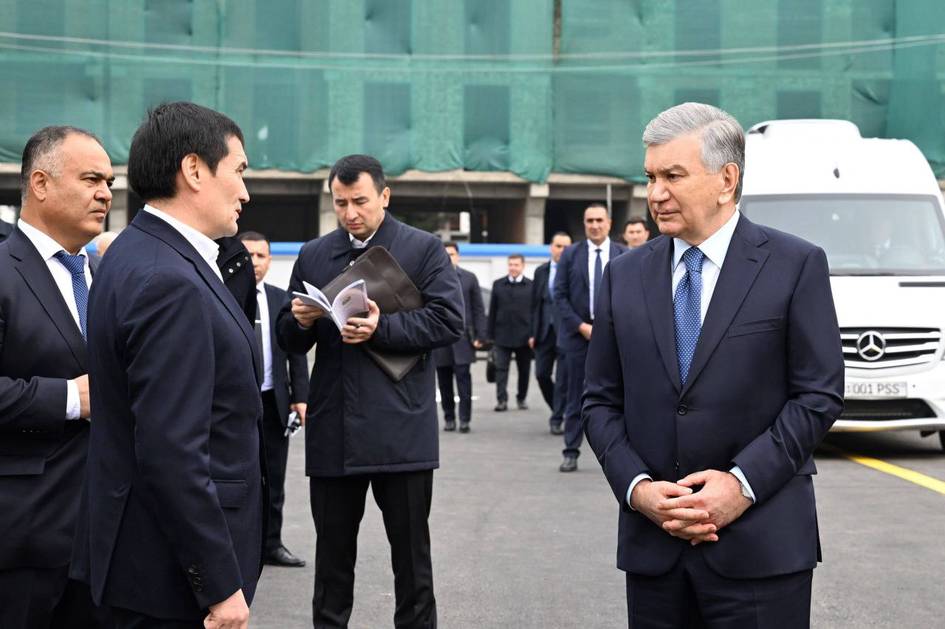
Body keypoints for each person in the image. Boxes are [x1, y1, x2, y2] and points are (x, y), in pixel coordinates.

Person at [583, 102, 844, 628]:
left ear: (727, 179)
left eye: (673, 175)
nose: (655, 193)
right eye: (651, 176)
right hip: (655, 550)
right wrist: (638, 489)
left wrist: (740, 484)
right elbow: (599, 400)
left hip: (761, 549)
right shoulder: (623, 276)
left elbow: (817, 394)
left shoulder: (795, 265)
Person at [72, 102, 265, 629]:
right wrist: (220, 584)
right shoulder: (168, 280)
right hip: (169, 577)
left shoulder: (138, 253)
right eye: (240, 171)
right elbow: (172, 451)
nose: (246, 192)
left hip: (145, 559)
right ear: (195, 170)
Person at [276, 154, 463, 628]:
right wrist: (297, 321)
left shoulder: (422, 249)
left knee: (412, 563)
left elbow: (449, 320)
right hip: (334, 428)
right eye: (340, 203)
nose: (350, 213)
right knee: (332, 564)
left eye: (359, 201)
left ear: (384, 195)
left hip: (400, 428)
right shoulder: (315, 254)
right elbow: (288, 338)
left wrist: (384, 328)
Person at [0, 125, 113, 627]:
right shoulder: (4, 268)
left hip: (104, 541)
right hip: (22, 540)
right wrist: (69, 398)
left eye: (109, 181)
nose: (106, 193)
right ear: (40, 184)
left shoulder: (103, 277)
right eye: (92, 179)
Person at [239, 230, 310, 568]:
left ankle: (271, 544)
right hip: (234, 406)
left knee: (275, 479)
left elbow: (295, 351)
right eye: (247, 255)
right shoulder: (222, 295)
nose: (254, 263)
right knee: (236, 479)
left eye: (260, 256)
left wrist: (301, 397)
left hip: (273, 403)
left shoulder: (280, 297)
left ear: (269, 260)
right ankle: (236, 548)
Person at [554, 204, 627, 472]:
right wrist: (581, 326)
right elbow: (559, 295)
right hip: (578, 338)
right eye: (589, 221)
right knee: (576, 397)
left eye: (599, 220)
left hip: (615, 339)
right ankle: (571, 451)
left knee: (619, 398)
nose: (594, 225)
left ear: (609, 222)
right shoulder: (570, 255)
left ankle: (621, 456)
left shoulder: (623, 254)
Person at [433, 241, 487, 433]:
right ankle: (449, 418)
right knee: (444, 382)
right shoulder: (433, 278)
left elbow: (478, 308)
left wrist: (481, 334)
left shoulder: (469, 278)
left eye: (452, 254)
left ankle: (465, 419)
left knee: (464, 380)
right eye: (445, 254)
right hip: (440, 339)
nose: (449, 258)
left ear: (458, 256)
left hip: (463, 339)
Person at [528, 231, 572, 434]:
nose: (561, 250)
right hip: (544, 332)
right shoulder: (541, 272)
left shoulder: (574, 270)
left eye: (566, 247)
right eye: (558, 246)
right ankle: (558, 408)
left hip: (567, 333)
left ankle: (556, 418)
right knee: (541, 374)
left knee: (563, 379)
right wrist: (532, 332)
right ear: (551, 248)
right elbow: (534, 304)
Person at [488, 253, 533, 412]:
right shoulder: (498, 285)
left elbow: (535, 312)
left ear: (523, 266)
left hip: (525, 337)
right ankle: (502, 400)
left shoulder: (531, 286)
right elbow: (492, 310)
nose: (513, 267)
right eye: (511, 264)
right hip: (502, 335)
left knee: (524, 370)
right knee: (501, 369)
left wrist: (533, 334)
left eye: (516, 265)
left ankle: (521, 398)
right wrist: (490, 335)